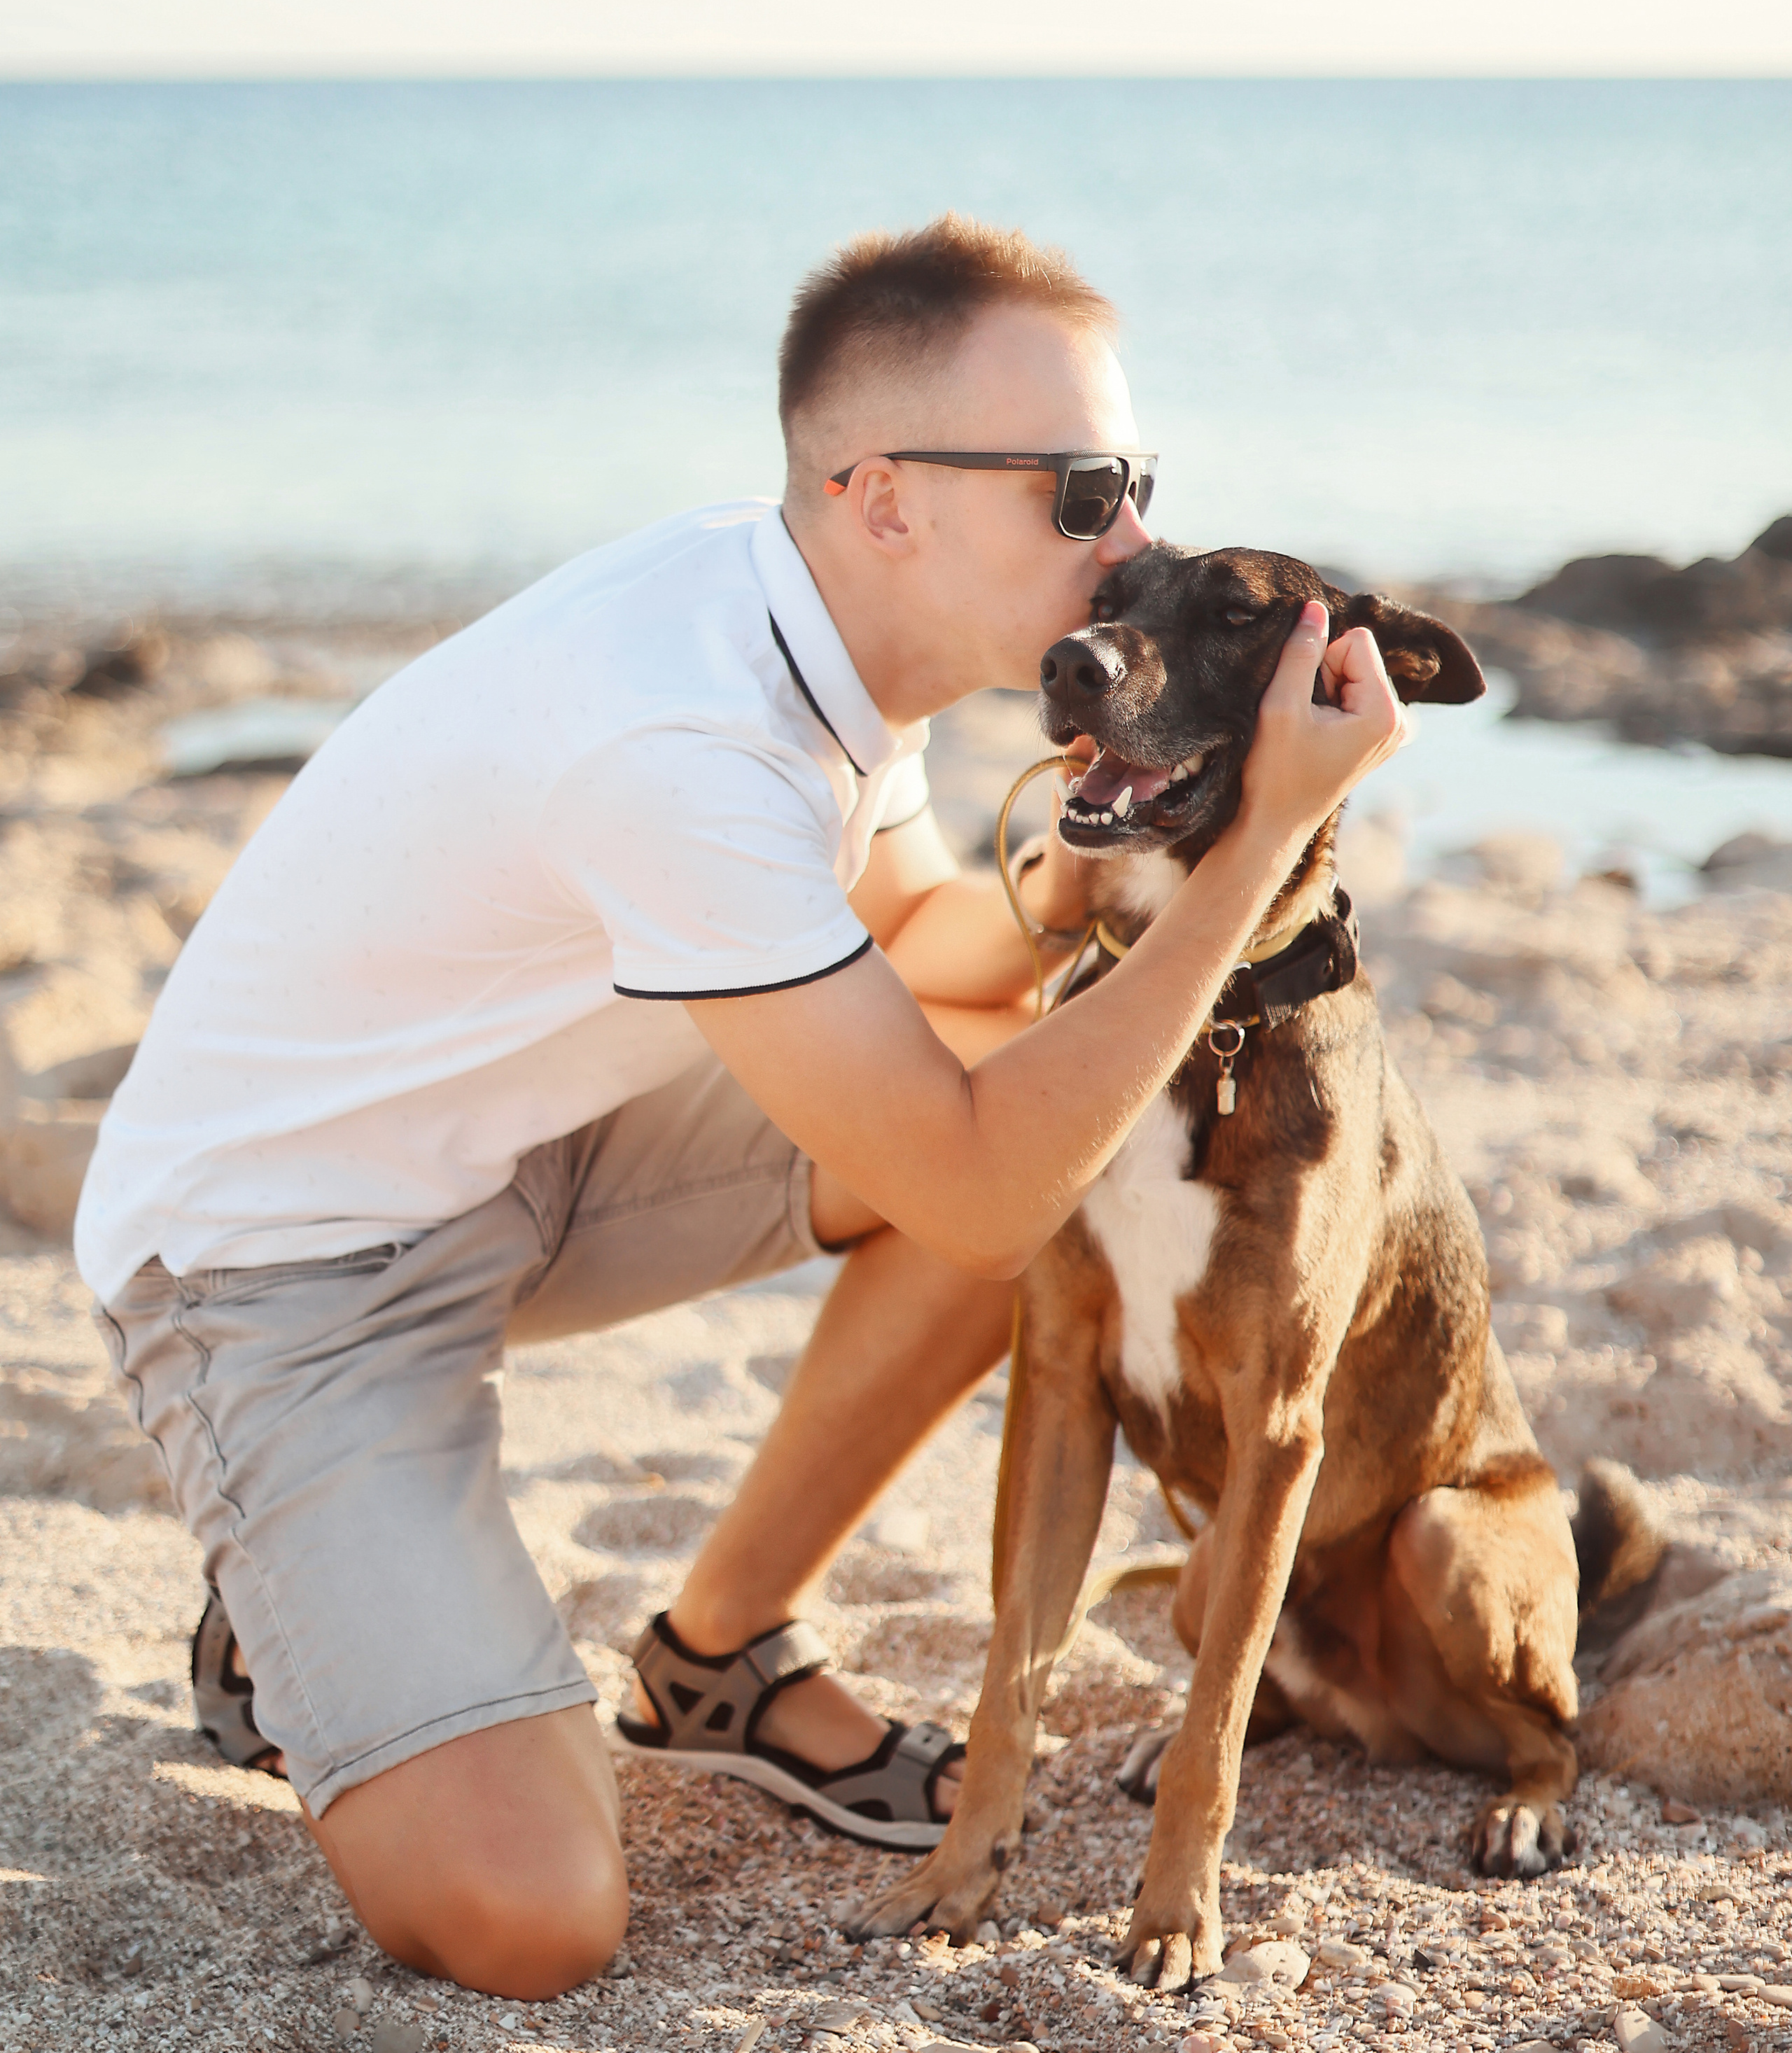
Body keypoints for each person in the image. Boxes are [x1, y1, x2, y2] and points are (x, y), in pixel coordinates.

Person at [76, 214, 1408, 2001]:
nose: (1134, 539)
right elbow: (982, 1190)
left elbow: (942, 940)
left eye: (1140, 480)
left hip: (533, 1156)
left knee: (1000, 1115)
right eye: (1082, 488)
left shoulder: (829, 639)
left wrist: (1110, 843)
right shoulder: (683, 735)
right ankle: (304, 1592)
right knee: (536, 1915)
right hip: (280, 1278)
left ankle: (708, 1659)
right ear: (881, 497)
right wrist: (1253, 853)